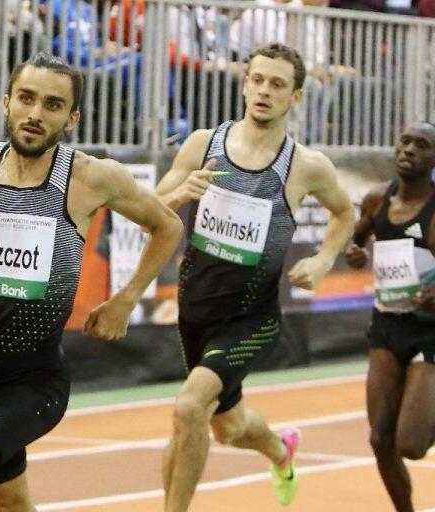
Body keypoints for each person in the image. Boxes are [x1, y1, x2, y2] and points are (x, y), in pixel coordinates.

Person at [0, 51, 183, 512]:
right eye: (26, 98)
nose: (35, 114)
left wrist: (126, 299)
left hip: (33, 380)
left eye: (53, 104)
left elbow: (167, 226)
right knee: (8, 501)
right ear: (7, 102)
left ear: (71, 118)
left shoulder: (90, 177)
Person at [156, 43, 355, 511]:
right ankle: (280, 450)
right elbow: (152, 207)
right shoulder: (202, 144)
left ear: (296, 97)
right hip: (195, 311)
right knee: (226, 427)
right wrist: (180, 194)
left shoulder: (305, 165)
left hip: (252, 319)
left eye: (277, 84)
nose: (265, 91)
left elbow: (344, 213)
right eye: (258, 80)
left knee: (189, 407)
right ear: (245, 84)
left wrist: (324, 259)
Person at [345, 122, 435, 512]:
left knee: (411, 445)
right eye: (405, 141)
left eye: (422, 145)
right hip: (386, 325)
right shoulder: (377, 199)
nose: (409, 149)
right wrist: (355, 253)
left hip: (429, 331)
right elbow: (356, 240)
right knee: (380, 439)